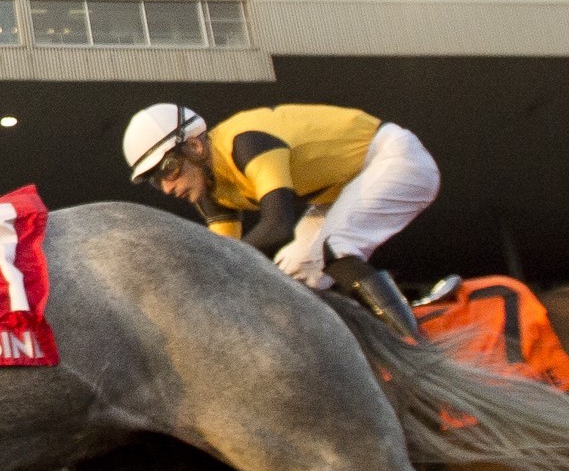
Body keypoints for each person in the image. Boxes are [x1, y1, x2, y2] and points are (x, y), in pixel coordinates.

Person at [120, 101, 441, 338]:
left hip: (393, 157)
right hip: (344, 188)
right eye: (154, 180)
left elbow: (278, 227)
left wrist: (201, 267)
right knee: (292, 277)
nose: (167, 186)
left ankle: (418, 353)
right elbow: (225, 268)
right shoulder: (207, 188)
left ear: (194, 145)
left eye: (168, 169)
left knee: (338, 249)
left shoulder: (245, 143)